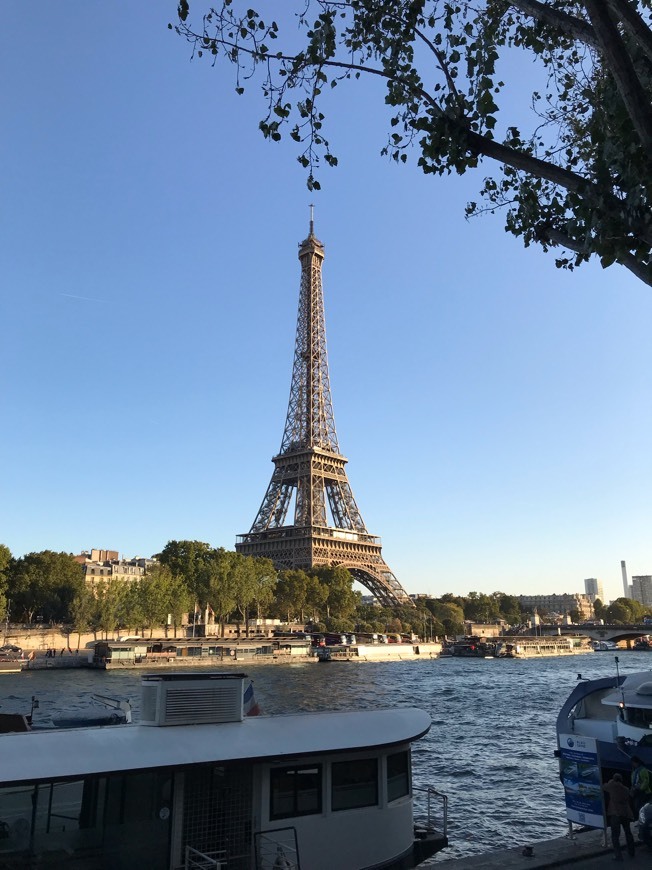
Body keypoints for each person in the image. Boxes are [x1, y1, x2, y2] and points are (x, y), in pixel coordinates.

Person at [603, 772, 636, 861]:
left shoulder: (611, 786)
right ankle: (631, 851)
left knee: (615, 836)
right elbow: (630, 796)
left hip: (615, 814)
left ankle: (618, 855)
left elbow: (603, 786)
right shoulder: (625, 789)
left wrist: (610, 782)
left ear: (614, 779)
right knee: (628, 832)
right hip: (625, 813)